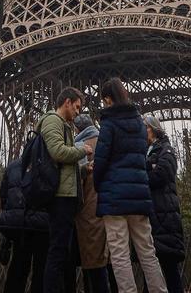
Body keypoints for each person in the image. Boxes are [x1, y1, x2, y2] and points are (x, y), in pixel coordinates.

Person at [92, 77, 167, 293]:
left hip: (114, 197)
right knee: (147, 251)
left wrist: (99, 184)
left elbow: (102, 159)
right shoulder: (139, 122)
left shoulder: (109, 123)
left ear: (108, 99)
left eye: (104, 101)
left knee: (119, 254)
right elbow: (140, 158)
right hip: (139, 196)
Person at [35, 87, 93, 293]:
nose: (78, 112)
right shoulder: (52, 121)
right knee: (58, 252)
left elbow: (62, 167)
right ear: (67, 102)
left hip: (66, 196)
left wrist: (84, 169)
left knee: (62, 252)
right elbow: (57, 152)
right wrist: (81, 150)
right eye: (77, 107)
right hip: (60, 197)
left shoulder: (64, 125)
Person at [0, 148, 50, 293]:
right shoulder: (49, 165)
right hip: (42, 224)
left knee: (18, 265)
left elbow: (3, 196)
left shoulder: (13, 166)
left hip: (19, 224)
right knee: (41, 268)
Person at [144, 115, 185, 293]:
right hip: (154, 213)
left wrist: (143, 173)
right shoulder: (150, 151)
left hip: (164, 213)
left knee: (167, 265)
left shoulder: (165, 149)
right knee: (154, 267)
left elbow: (162, 174)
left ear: (151, 129)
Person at [72, 115, 109, 293]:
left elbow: (78, 183)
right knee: (110, 262)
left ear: (77, 129)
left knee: (92, 264)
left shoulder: (80, 146)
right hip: (109, 210)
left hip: (88, 211)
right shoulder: (106, 142)